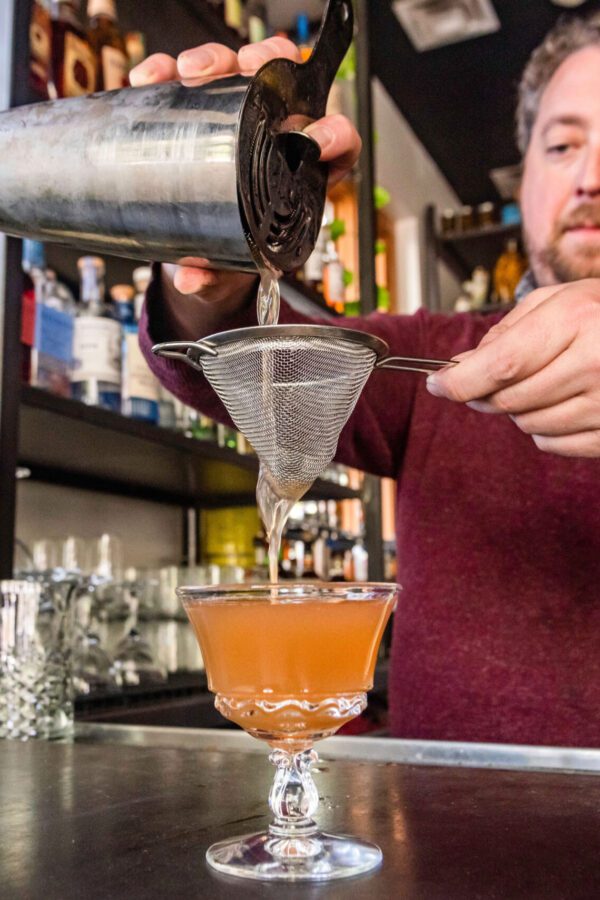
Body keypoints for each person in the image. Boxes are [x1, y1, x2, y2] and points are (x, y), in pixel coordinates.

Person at [131, 18, 600, 747]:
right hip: (439, 854)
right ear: (524, 173)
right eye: (564, 144)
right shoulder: (434, 356)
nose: (591, 175)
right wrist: (213, 242)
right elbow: (245, 367)